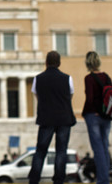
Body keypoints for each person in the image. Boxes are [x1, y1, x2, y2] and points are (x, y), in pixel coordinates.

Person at [29, 51, 76, 184]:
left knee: (40, 151)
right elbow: (70, 97)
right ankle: (59, 180)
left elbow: (37, 97)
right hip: (64, 119)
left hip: (46, 118)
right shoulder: (68, 78)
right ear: (59, 63)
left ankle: (34, 179)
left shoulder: (38, 78)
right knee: (61, 150)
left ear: (46, 62)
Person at [82, 51, 112, 184]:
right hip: (107, 115)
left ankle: (102, 180)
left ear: (87, 63)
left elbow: (89, 98)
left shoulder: (89, 78)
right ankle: (105, 178)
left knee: (98, 148)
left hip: (93, 115)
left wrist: (90, 112)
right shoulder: (106, 76)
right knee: (104, 146)